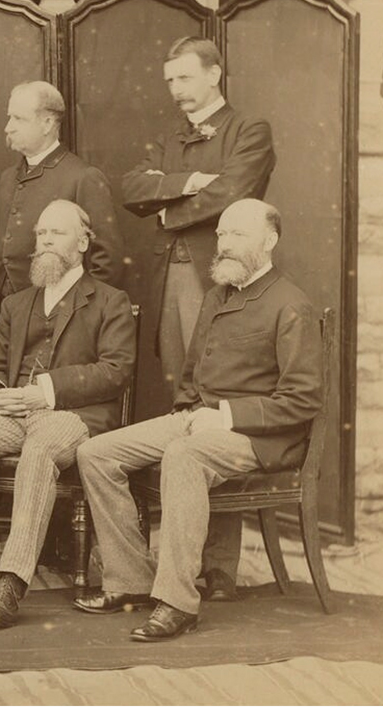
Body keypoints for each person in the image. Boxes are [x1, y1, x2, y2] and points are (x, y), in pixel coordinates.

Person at [75, 199, 322, 642]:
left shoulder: (291, 305)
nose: (224, 245)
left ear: (269, 242)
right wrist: (188, 409)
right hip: (199, 417)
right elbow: (192, 372)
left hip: (261, 436)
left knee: (183, 456)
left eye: (238, 235)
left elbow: (303, 400)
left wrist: (224, 416)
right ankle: (131, 579)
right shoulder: (216, 295)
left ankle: (177, 602)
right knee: (95, 452)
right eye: (222, 235)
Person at [0, 200, 135, 628]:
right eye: (41, 234)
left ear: (84, 242)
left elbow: (116, 371)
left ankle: (12, 581)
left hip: (73, 415)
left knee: (39, 453)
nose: (46, 241)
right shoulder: (17, 304)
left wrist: (45, 391)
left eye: (57, 233)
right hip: (13, 412)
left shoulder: (110, 300)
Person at [120, 37, 276, 600]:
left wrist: (168, 211)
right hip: (173, 282)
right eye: (169, 82)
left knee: (217, 407)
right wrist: (187, 184)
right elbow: (131, 187)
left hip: (223, 281)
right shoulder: (171, 137)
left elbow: (236, 193)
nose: (176, 91)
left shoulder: (249, 130)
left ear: (214, 75)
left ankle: (218, 570)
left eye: (185, 79)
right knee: (183, 408)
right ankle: (182, 560)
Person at [0, 81, 122, 318]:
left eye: (19, 119)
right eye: (9, 118)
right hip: (2, 314)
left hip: (59, 315)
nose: (8, 127)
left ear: (48, 123)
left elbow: (106, 261)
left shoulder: (83, 177)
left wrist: (82, 315)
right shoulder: (7, 179)